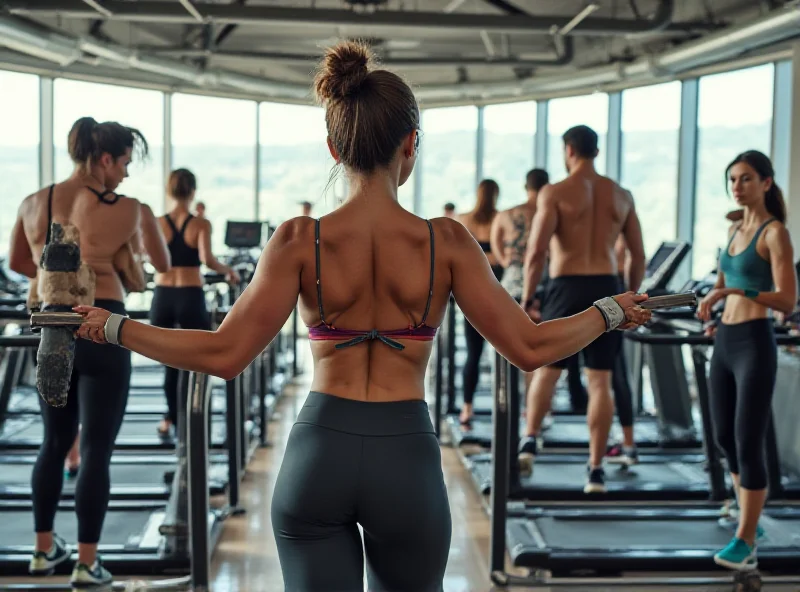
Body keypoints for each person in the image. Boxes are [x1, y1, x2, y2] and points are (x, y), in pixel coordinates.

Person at [71, 41, 650, 591]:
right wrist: (608, 310)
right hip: (407, 459)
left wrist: (117, 326)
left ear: (334, 147)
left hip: (318, 456)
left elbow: (223, 355)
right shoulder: (446, 242)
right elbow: (530, 347)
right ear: (410, 145)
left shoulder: (299, 239)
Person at [8, 116, 171, 587]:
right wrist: (125, 252)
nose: (124, 174)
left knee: (54, 443)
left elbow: (20, 261)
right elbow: (159, 263)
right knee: (97, 448)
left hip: (53, 325)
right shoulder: (131, 207)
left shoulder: (34, 202)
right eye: (123, 164)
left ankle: (42, 553)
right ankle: (86, 561)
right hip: (105, 326)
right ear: (104, 159)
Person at [518, 124, 646, 494]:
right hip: (607, 284)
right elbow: (637, 254)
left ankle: (530, 438)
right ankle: (595, 470)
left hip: (565, 284)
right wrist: (631, 295)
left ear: (569, 150)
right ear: (596, 151)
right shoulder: (621, 195)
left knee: (548, 369)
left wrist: (529, 299)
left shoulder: (555, 192)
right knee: (600, 379)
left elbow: (537, 252)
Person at [696, 150, 796, 571]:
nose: (737, 187)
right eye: (732, 180)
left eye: (746, 179)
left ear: (767, 183)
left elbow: (788, 300)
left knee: (747, 442)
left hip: (755, 341)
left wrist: (737, 295)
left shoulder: (775, 234)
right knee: (723, 440)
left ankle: (746, 539)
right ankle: (744, 510)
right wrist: (712, 309)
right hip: (726, 340)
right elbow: (721, 284)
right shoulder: (736, 231)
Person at [490, 168, 587, 419]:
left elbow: (498, 251)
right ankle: (538, 408)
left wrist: (514, 268)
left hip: (512, 284)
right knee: (545, 352)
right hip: (544, 284)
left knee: (515, 350)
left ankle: (514, 407)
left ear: (525, 186)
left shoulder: (506, 214)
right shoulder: (553, 209)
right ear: (547, 187)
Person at [151, 169, 240, 438]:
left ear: (169, 191)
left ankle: (170, 417)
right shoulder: (201, 224)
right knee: (195, 361)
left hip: (163, 295)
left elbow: (150, 257)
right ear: (192, 192)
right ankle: (192, 418)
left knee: (169, 363)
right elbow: (208, 260)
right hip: (190, 295)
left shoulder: (157, 222)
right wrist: (228, 271)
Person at [457, 179, 503, 426]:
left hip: (474, 291)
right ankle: (509, 408)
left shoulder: (466, 220)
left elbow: (463, 257)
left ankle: (467, 408)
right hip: (498, 290)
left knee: (473, 354)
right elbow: (502, 258)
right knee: (507, 351)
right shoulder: (501, 219)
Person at [603, 233, 641, 466]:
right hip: (611, 291)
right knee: (610, 376)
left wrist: (632, 300)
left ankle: (627, 444)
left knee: (610, 376)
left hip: (611, 293)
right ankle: (625, 444)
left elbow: (634, 258)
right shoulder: (613, 225)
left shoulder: (613, 233)